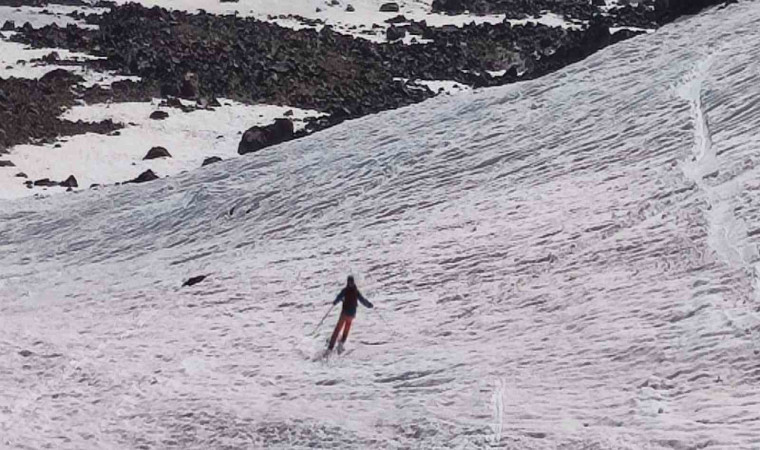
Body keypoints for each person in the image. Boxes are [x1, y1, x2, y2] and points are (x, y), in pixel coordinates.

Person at [328, 275, 373, 351]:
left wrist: (335, 302)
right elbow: (362, 300)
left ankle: (331, 346)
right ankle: (342, 342)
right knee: (347, 328)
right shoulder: (356, 291)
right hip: (352, 314)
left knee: (338, 328)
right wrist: (369, 305)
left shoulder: (345, 290)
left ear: (348, 282)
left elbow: (339, 297)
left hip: (345, 313)